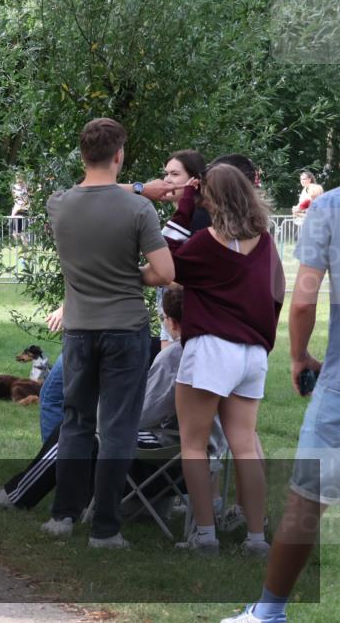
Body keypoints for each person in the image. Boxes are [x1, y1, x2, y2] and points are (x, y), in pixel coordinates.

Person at [41, 118, 174, 549]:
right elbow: (166, 272)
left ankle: (63, 514)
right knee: (116, 428)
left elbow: (90, 190)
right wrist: (131, 273)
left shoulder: (58, 204)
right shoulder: (138, 210)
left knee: (76, 421)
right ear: (119, 155)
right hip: (125, 328)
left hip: (79, 329)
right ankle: (105, 528)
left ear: (83, 155)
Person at [141, 163, 285, 556]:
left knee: (193, 445)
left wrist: (184, 208)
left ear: (211, 199)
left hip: (210, 349)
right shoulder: (266, 242)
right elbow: (277, 293)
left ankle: (204, 535)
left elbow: (165, 264)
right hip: (252, 354)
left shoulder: (206, 243)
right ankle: (257, 539)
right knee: (243, 445)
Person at [0, 287, 207, 509]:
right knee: (80, 425)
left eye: (162, 317)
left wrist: (106, 409)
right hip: (197, 447)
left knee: (75, 429)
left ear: (172, 322)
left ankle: (18, 495)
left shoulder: (176, 356)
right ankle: (46, 491)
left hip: (168, 446)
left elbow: (144, 413)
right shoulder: (210, 350)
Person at [221, 184, 338, 623]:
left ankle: (269, 611)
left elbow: (304, 299)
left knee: (307, 499)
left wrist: (297, 356)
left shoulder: (329, 207)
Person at [156, 150, 206, 349]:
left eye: (175, 174)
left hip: (188, 317)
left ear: (195, 180)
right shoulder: (180, 217)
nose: (167, 179)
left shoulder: (200, 218)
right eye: (166, 173)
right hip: (169, 315)